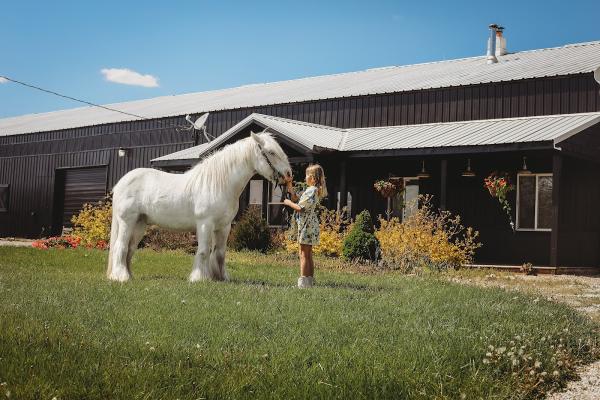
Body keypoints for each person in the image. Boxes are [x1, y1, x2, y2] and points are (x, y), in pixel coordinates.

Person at [283, 164, 327, 288]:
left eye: (307, 175)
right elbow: (296, 197)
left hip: (306, 225)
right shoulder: (312, 190)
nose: (305, 177)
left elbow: (299, 207)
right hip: (309, 225)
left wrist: (288, 203)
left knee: (303, 254)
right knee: (308, 254)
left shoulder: (311, 190)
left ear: (313, 178)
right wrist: (289, 183)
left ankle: (303, 284)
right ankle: (310, 281)